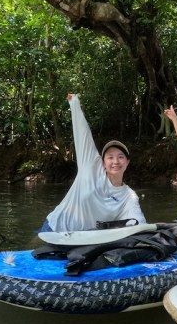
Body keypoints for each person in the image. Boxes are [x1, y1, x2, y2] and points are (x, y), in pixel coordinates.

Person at [41, 94, 145, 233]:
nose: (115, 161)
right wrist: (75, 105)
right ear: (103, 162)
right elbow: (83, 135)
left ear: (127, 163)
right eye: (110, 157)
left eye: (120, 157)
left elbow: (137, 222)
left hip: (84, 240)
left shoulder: (128, 196)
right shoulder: (91, 167)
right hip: (54, 229)